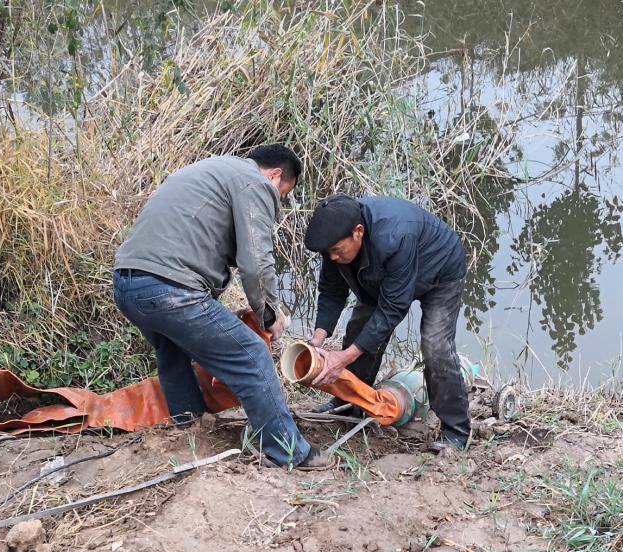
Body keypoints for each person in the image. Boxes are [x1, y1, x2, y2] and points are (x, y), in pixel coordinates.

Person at [111, 144, 330, 469]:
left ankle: (190, 427)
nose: (279, 201)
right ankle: (289, 452)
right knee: (253, 355)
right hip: (170, 288)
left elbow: (204, 245)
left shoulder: (214, 171)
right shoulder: (254, 183)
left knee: (172, 350)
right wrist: (269, 315)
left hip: (128, 284)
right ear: (275, 175)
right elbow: (255, 261)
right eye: (283, 194)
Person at [302, 194, 472, 451]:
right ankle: (348, 405)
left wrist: (344, 357)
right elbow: (331, 290)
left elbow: (392, 308)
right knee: (359, 329)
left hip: (439, 269)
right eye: (329, 253)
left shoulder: (394, 236)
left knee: (435, 346)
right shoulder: (334, 241)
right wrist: (318, 337)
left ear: (358, 232)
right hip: (384, 274)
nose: (333, 257)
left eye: (337, 251)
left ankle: (456, 432)